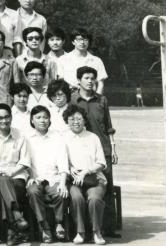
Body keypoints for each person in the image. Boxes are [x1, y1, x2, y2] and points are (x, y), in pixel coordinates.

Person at [72, 66, 118, 235]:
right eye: (86, 78)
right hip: (81, 151)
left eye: (93, 78)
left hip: (103, 150)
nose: (90, 81)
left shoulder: (102, 100)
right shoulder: (73, 100)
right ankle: (86, 228)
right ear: (78, 81)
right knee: (83, 188)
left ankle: (108, 228)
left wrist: (113, 148)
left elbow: (108, 125)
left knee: (106, 187)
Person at [0, 102, 33, 246]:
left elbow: (25, 161)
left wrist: (10, 172)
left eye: (7, 117)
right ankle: (15, 222)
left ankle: (11, 226)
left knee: (4, 184)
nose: (4, 121)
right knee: (2, 181)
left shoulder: (20, 135)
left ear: (11, 117)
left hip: (17, 176)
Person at [24, 105, 70, 244]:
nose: (42, 120)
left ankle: (59, 223)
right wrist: (30, 176)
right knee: (33, 192)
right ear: (32, 120)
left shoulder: (57, 137)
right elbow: (25, 161)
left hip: (54, 177)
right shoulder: (27, 138)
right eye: (38, 117)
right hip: (35, 178)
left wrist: (62, 183)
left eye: (45, 117)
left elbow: (63, 162)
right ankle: (44, 227)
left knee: (60, 192)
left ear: (50, 120)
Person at [63, 105, 108, 245]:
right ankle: (80, 232)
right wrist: (69, 168)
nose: (76, 122)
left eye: (79, 118)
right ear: (67, 121)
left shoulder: (93, 137)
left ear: (84, 120)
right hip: (73, 179)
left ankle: (96, 232)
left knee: (94, 198)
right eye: (72, 119)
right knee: (76, 198)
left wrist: (86, 171)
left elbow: (101, 163)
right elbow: (60, 160)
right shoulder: (63, 138)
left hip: (94, 178)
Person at [58, 30, 108, 94]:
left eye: (85, 40)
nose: (82, 42)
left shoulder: (97, 61)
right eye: (79, 39)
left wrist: (97, 98)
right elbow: (60, 80)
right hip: (69, 96)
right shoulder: (63, 59)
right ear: (73, 42)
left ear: (89, 42)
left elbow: (101, 84)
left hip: (90, 97)